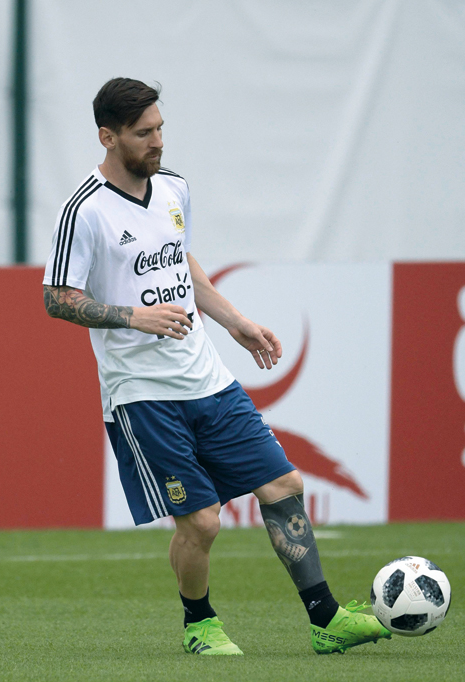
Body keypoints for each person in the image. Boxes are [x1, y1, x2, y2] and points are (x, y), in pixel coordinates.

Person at [42, 77, 390, 656]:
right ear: (108, 136)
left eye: (160, 129)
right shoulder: (85, 211)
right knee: (202, 522)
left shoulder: (174, 188)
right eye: (143, 133)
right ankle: (199, 625)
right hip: (143, 393)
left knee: (285, 486)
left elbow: (182, 260)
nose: (157, 142)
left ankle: (326, 619)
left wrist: (234, 321)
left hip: (210, 380)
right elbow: (57, 297)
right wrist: (133, 316)